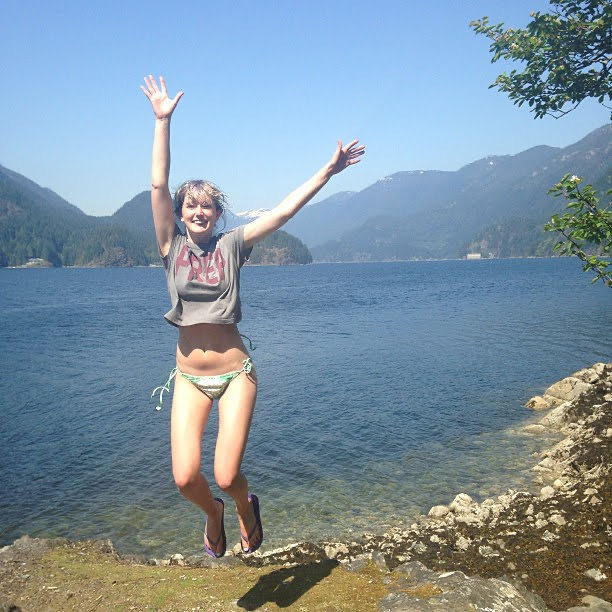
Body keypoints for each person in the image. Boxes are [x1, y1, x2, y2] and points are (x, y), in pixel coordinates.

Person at [142, 75, 365, 558]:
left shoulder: (232, 246)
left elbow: (283, 213)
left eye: (207, 206)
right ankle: (214, 513)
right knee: (185, 478)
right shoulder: (170, 246)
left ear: (217, 215)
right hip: (187, 378)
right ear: (180, 212)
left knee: (225, 474)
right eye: (191, 204)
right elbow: (158, 182)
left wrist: (328, 171)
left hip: (235, 372)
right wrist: (163, 121)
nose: (199, 211)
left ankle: (243, 504)